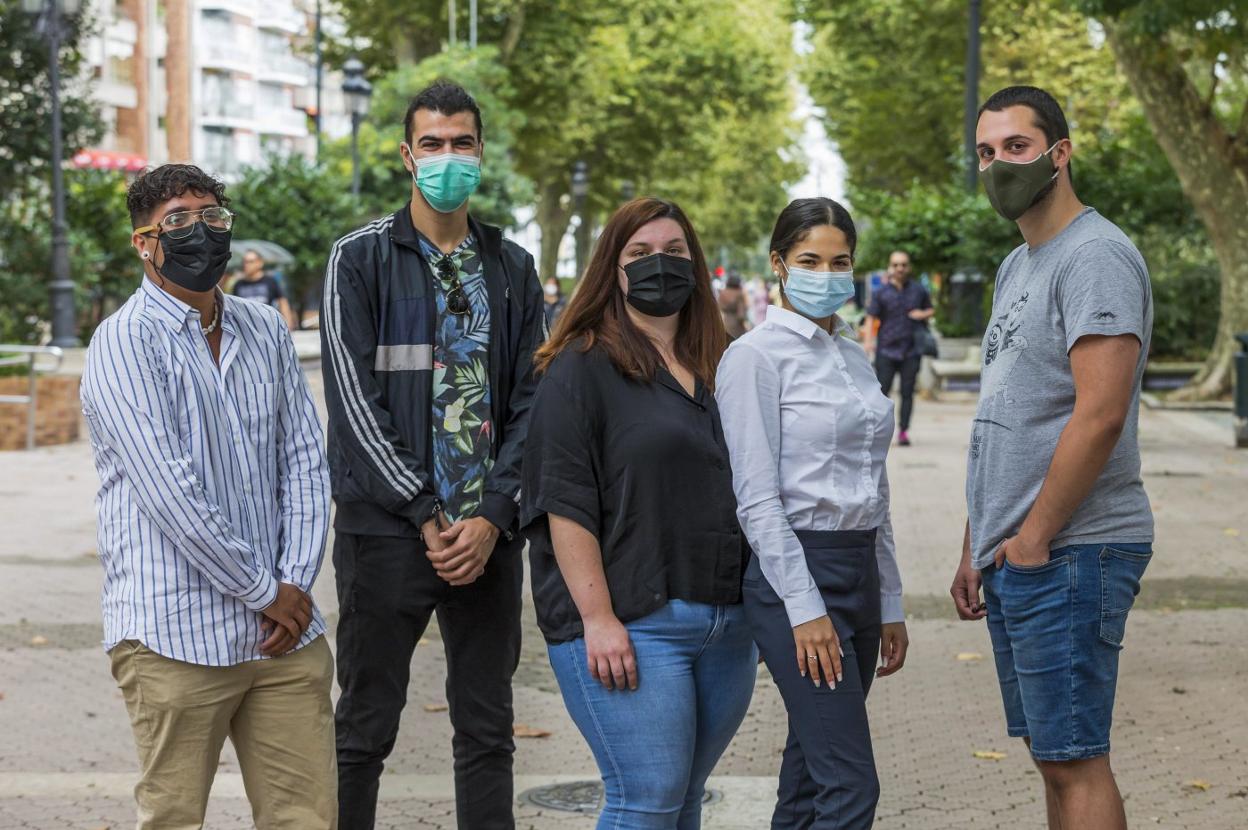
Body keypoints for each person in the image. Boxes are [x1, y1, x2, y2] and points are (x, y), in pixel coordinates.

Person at [80, 164, 335, 828]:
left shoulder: (264, 329)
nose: (201, 233)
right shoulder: (122, 344)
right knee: (174, 818)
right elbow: (172, 496)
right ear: (144, 242)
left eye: (212, 217)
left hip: (285, 637)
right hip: (174, 635)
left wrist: (296, 585)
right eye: (178, 222)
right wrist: (265, 591)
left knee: (306, 817)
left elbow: (304, 461)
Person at [320, 80, 546, 830]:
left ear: (481, 152)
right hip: (386, 535)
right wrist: (424, 511)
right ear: (405, 156)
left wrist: (492, 516)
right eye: (432, 144)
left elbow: (531, 405)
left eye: (462, 144)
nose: (448, 157)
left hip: (486, 541)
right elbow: (354, 401)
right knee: (363, 729)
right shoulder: (358, 261)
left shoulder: (511, 269)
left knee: (487, 731)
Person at [949, 86, 1154, 830]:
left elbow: (1099, 415)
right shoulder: (1019, 265)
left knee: (1075, 759)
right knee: (1052, 754)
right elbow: (1009, 413)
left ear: (1059, 154)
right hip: (1021, 551)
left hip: (1073, 548)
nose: (998, 164)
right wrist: (977, 541)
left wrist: (1032, 540)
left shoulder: (1095, 256)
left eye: (1016, 147)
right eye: (985, 151)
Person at [520, 197, 757, 829]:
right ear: (612, 269)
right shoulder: (579, 367)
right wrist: (597, 619)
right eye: (640, 254)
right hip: (631, 624)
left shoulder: (726, 364)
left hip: (726, 626)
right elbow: (561, 501)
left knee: (682, 802)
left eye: (675, 252)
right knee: (645, 798)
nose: (661, 265)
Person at [717, 197, 908, 829]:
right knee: (851, 786)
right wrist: (805, 610)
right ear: (778, 264)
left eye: (839, 261)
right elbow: (757, 497)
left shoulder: (853, 356)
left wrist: (891, 602)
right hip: (797, 575)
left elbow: (872, 485)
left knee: (808, 777)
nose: (825, 274)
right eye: (808, 260)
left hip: (860, 572)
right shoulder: (754, 357)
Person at [863, 250, 934, 446]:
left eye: (903, 265)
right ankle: (878, 431)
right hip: (886, 349)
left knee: (907, 392)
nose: (900, 268)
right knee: (881, 393)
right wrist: (869, 341)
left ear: (908, 267)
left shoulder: (918, 290)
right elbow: (871, 317)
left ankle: (903, 431)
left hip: (911, 350)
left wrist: (922, 314)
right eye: (896, 265)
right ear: (890, 267)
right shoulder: (881, 293)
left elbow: (930, 309)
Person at [232, 248, 297, 329]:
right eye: (244, 262)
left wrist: (288, 323)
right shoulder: (238, 285)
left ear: (260, 263)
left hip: (268, 327)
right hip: (246, 329)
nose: (246, 265)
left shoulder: (270, 281)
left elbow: (282, 302)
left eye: (250, 262)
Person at [718, 273, 751, 339]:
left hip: (724, 322)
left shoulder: (723, 292)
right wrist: (745, 324)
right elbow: (741, 314)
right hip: (736, 325)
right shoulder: (739, 293)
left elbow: (719, 307)